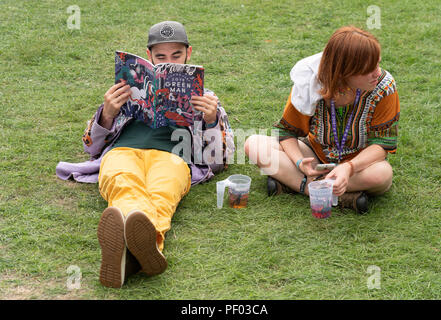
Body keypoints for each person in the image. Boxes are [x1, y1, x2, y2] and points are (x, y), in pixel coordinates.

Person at [56, 21, 235, 288]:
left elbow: (220, 160)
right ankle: (149, 249)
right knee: (123, 183)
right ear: (148, 56)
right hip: (122, 151)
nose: (168, 61)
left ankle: (128, 253)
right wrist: (107, 112)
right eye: (160, 57)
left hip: (173, 157)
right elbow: (90, 146)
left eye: (176, 55)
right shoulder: (124, 89)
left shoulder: (206, 97)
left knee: (163, 192)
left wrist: (210, 120)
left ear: (189, 53)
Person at [244, 26, 400, 214]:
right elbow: (287, 133)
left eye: (378, 63)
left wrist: (349, 168)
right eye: (368, 69)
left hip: (360, 165)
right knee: (254, 144)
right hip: (316, 157)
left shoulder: (384, 86)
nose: (377, 72)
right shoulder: (310, 83)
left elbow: (382, 145)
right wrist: (300, 163)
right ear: (345, 71)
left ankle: (295, 184)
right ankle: (326, 192)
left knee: (382, 175)